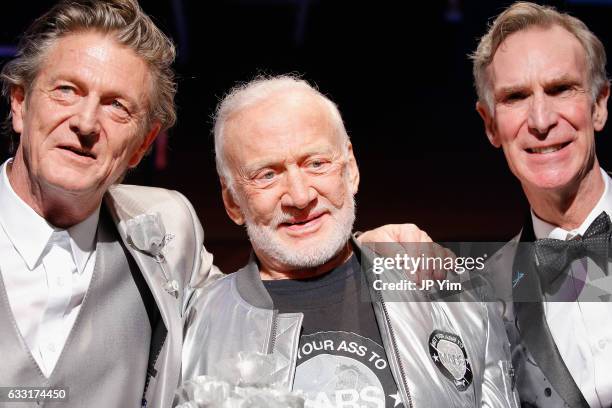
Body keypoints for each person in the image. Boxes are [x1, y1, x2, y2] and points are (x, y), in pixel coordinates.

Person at [182, 75, 519, 407]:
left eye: (316, 163)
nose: (300, 197)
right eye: (267, 175)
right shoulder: (192, 330)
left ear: (351, 169)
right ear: (232, 202)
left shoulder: (454, 298)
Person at [0, 1, 221, 407]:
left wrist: (371, 258)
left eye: (117, 106)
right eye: (67, 90)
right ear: (20, 103)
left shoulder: (169, 228)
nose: (85, 123)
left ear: (142, 145)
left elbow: (244, 326)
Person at [472, 2, 612, 407]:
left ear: (599, 104)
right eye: (516, 97)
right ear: (490, 125)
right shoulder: (482, 296)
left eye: (560, 89)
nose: (540, 119)